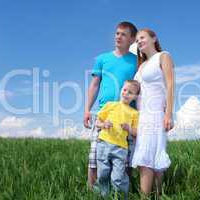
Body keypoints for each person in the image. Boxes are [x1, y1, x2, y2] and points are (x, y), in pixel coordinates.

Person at [83, 21, 138, 189]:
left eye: (123, 34)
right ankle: (91, 192)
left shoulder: (137, 61)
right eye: (117, 33)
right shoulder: (102, 59)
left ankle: (122, 193)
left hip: (127, 117)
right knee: (95, 160)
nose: (118, 37)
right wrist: (87, 110)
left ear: (132, 39)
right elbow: (94, 84)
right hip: (104, 115)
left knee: (125, 161)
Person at [131, 29, 175, 196]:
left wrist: (169, 114)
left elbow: (170, 85)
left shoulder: (163, 56)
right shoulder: (141, 65)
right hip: (142, 115)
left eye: (142, 37)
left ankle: (146, 197)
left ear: (154, 38)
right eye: (137, 40)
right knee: (151, 157)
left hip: (156, 113)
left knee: (147, 158)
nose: (139, 41)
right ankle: (158, 195)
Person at [93, 80, 140, 199]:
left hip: (120, 148)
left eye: (130, 92)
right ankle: (103, 196)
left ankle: (120, 197)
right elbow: (97, 122)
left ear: (135, 97)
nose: (126, 93)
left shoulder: (134, 113)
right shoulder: (110, 105)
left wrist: (129, 128)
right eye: (124, 90)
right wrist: (103, 125)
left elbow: (136, 132)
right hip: (103, 143)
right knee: (102, 174)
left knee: (118, 177)